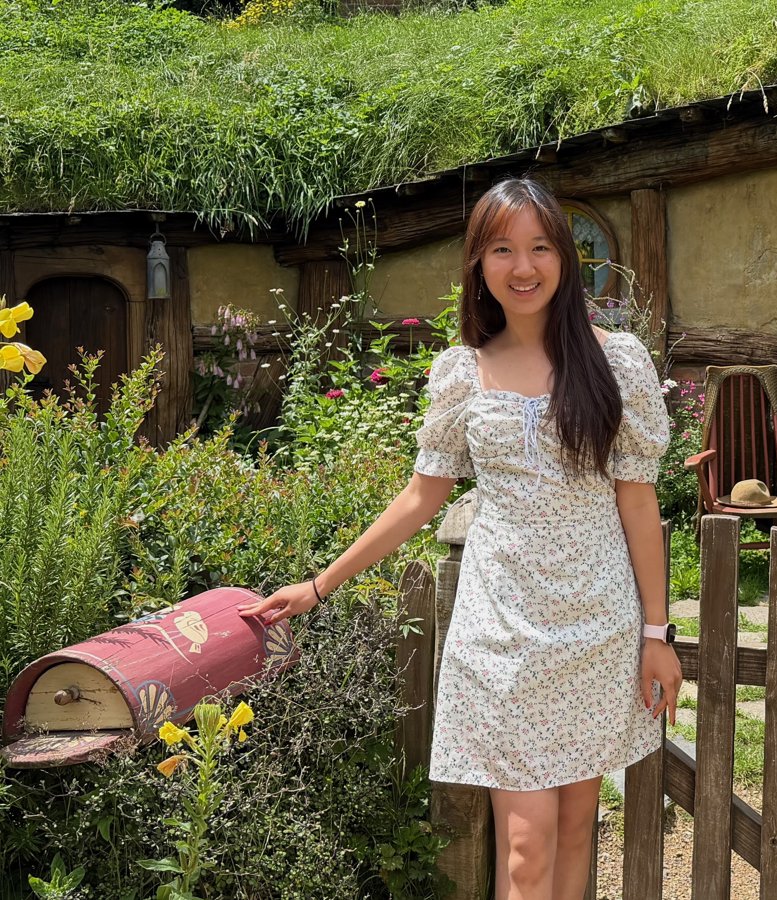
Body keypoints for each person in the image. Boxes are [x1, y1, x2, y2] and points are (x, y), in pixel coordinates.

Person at [240, 177, 683, 900]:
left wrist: (656, 632)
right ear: (479, 264)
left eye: (540, 247)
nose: (524, 266)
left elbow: (637, 504)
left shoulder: (617, 362)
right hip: (503, 628)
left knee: (577, 828)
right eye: (502, 249)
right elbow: (422, 498)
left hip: (597, 623)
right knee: (525, 848)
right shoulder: (464, 373)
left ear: (566, 259)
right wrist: (320, 585)